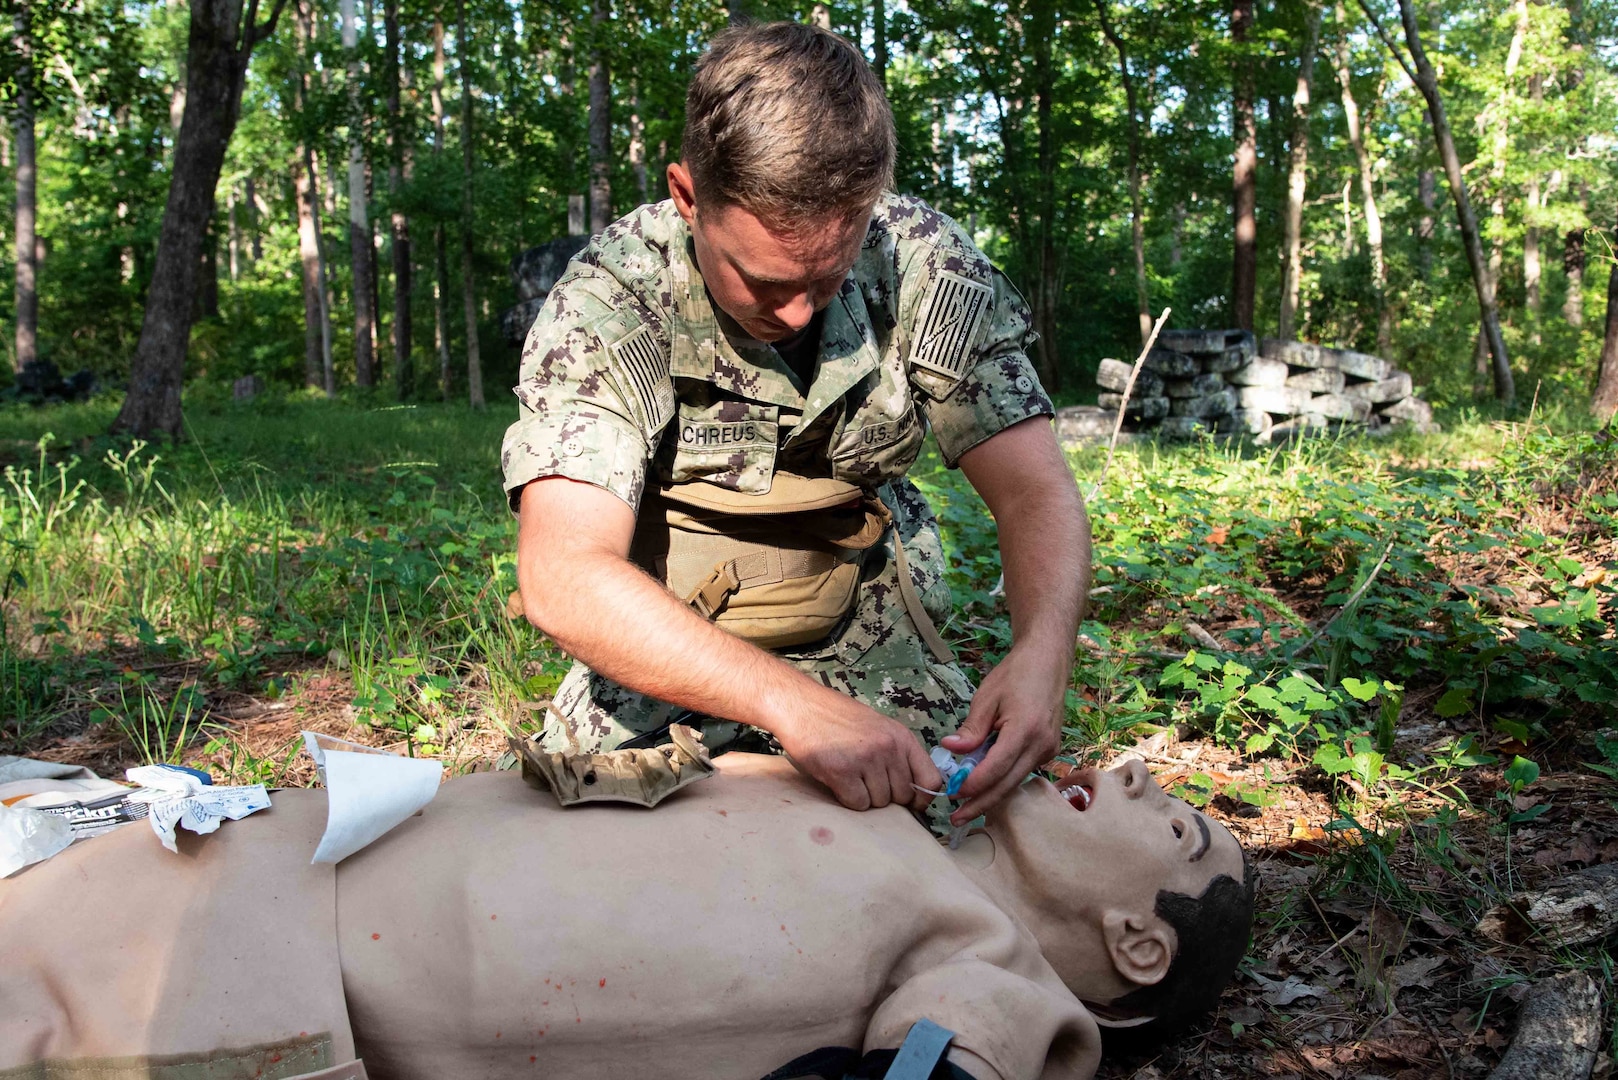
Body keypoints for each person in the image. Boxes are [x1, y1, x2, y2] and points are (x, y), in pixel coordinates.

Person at [503, 21, 1091, 828]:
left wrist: (1043, 653)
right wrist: (794, 706)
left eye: (828, 275)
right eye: (764, 281)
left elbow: (1035, 494)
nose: (797, 311)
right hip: (671, 638)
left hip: (866, 622)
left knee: (964, 828)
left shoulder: (923, 266)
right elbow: (563, 574)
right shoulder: (614, 300)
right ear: (687, 195)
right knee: (604, 847)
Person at [0, 756, 1254, 1080]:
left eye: (1177, 827)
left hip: (268, 980)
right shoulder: (885, 808)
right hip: (266, 840)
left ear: (1135, 945)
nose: (1142, 779)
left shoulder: (987, 964)